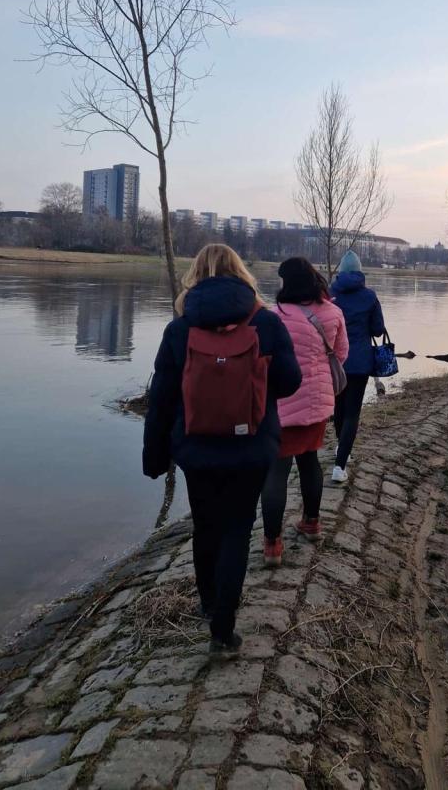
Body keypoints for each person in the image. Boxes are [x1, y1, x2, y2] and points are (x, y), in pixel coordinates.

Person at [143, 244, 301, 653]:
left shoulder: (180, 327)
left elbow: (160, 397)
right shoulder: (264, 322)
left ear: (194, 275)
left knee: (205, 526)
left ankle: (209, 605)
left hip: (196, 448)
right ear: (242, 274)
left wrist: (155, 454)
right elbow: (289, 382)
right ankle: (224, 630)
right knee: (236, 527)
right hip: (250, 447)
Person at [262, 257, 348, 566]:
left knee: (276, 470)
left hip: (282, 403)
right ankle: (311, 523)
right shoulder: (334, 312)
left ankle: (272, 543)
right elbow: (341, 354)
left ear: (289, 282)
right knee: (310, 460)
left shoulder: (276, 315)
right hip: (318, 401)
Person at [330, 250, 386, 484]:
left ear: (340, 271)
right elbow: (377, 330)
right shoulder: (370, 296)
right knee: (353, 412)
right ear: (360, 271)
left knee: (338, 408)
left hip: (334, 362)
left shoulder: (330, 294)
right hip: (360, 362)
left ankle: (342, 449)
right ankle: (340, 465)